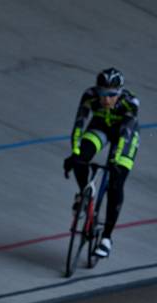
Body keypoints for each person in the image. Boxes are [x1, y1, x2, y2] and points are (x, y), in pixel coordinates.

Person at [63, 67, 140, 258]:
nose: (106, 100)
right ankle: (84, 195)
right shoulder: (89, 96)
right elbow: (79, 125)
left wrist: (115, 161)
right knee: (80, 158)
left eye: (111, 95)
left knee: (116, 182)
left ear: (119, 92)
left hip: (123, 135)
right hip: (100, 128)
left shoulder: (130, 103)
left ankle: (106, 237)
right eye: (102, 94)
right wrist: (74, 152)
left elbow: (125, 135)